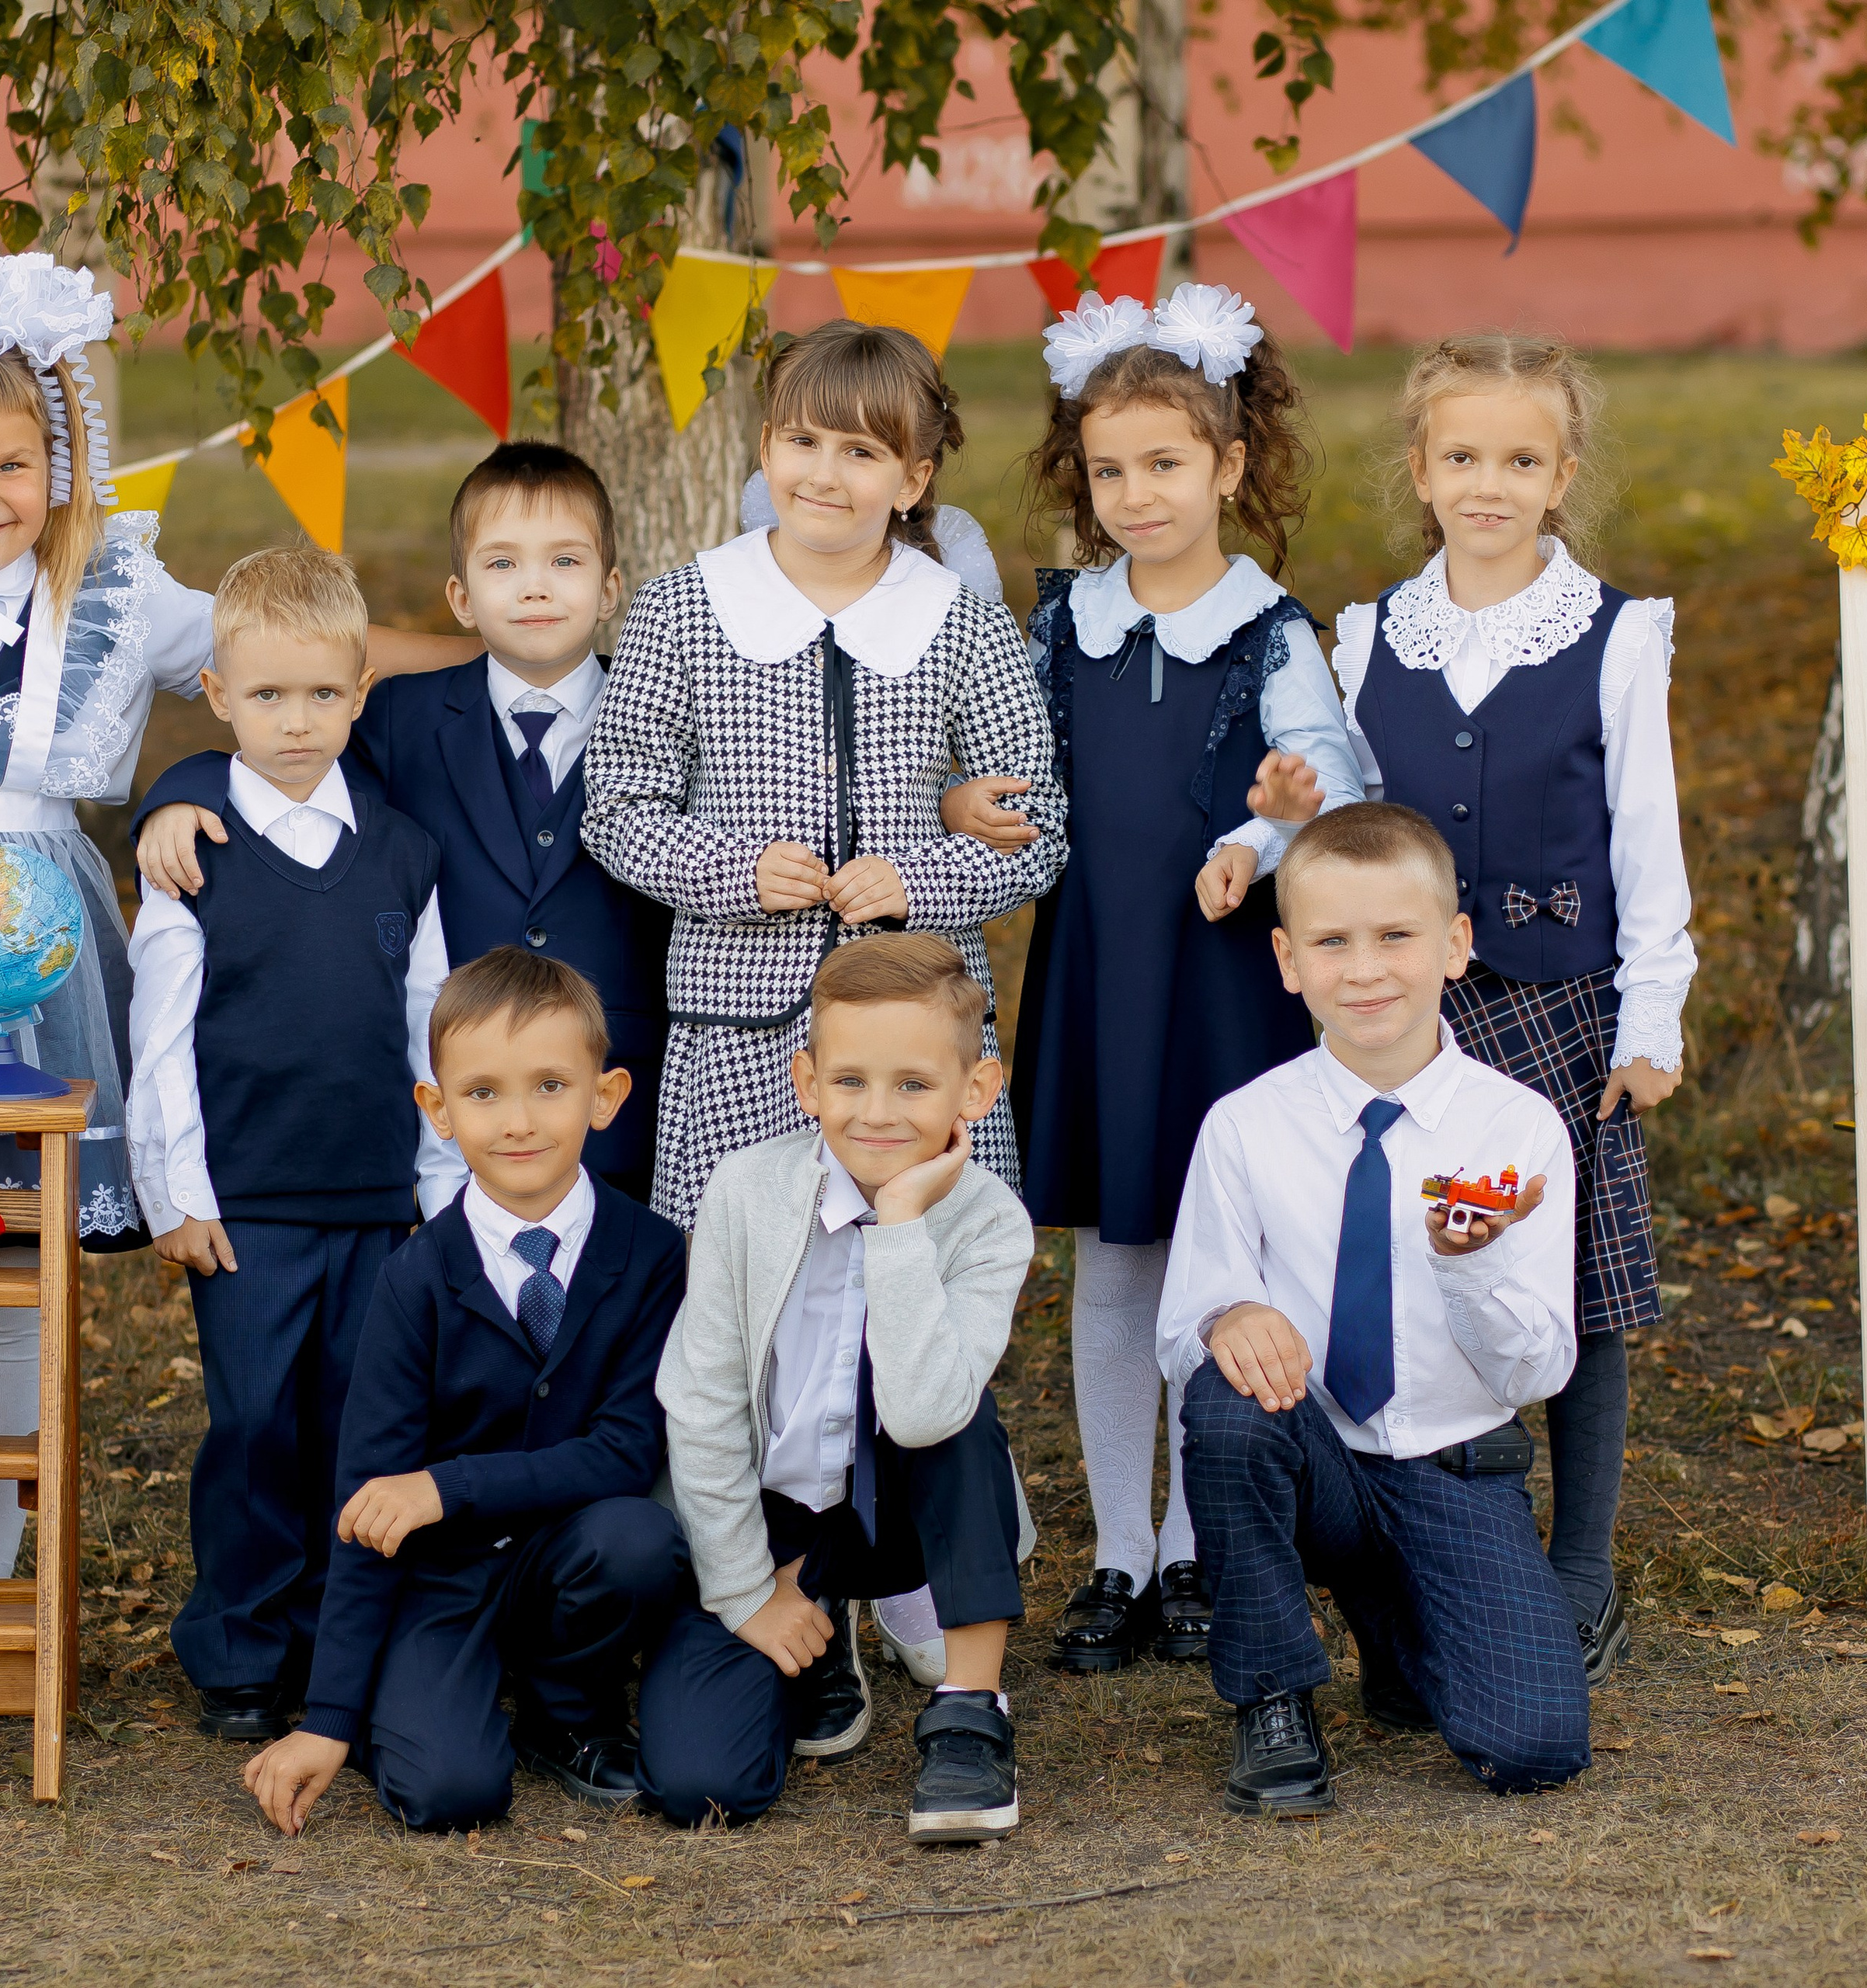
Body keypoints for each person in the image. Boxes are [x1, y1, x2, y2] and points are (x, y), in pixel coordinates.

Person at [0, 248, 471, 1585]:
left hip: (37, 970)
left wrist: (510, 653)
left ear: (62, 464)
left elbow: (282, 665)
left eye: (12, 467)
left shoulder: (107, 590)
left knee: (7, 1271)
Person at [940, 286, 1363, 1673]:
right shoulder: (1061, 624)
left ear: (1231, 466)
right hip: (1106, 977)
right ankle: (1121, 1547)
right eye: (1110, 469)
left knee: (1213, 1257)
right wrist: (975, 803)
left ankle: (1201, 1548)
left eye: (1166, 464)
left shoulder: (1270, 632)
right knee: (1116, 1262)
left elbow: (1330, 783)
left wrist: (1264, 829)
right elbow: (1002, 760)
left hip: (1219, 985)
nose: (1137, 494)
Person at [1332, 334, 1694, 1685]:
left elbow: (1644, 832)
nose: (1492, 482)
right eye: (1466, 455)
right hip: (1417, 1017)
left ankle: (1581, 1566)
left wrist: (1651, 1013)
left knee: (1577, 1284)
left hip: (1565, 1010)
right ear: (1422, 471)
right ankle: (1451, 1550)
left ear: (1563, 477)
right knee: (1439, 1263)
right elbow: (1356, 819)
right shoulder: (1368, 637)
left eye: (1523, 460)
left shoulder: (1616, 635)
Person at [580, 319, 1066, 1232]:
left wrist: (916, 877)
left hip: (915, 1028)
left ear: (912, 478)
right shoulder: (684, 609)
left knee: (916, 1275)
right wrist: (734, 870)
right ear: (765, 451)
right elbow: (617, 808)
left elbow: (1036, 826)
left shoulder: (960, 621)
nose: (824, 475)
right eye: (801, 442)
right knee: (745, 1287)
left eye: (861, 451)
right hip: (738, 1027)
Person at [1159, 802, 1590, 1817]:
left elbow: (1541, 1375)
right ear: (1287, 960)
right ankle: (1273, 1698)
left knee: (1531, 1747)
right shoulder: (1246, 1128)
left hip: (1456, 1468)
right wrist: (1227, 1318)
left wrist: (1468, 1270)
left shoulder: (1515, 1132)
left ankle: (1399, 1626)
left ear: (1455, 946)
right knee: (1226, 1400)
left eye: (1396, 937)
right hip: (1317, 1464)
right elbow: (1181, 1333)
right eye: (1332, 942)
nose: (1365, 971)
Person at [130, 443, 671, 1201]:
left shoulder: (664, 712)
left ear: (611, 587)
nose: (535, 588)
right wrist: (187, 792)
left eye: (565, 562)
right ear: (460, 595)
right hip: (461, 1093)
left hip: (618, 1090)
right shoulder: (402, 715)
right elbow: (293, 769)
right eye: (503, 564)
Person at [124, 546, 465, 1740]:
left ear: (362, 691)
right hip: (250, 1208)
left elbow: (434, 1033)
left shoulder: (404, 851)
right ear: (216, 695)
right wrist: (176, 1191)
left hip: (377, 1198)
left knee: (355, 1428)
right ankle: (237, 1648)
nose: (295, 720)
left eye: (323, 694)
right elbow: (160, 1040)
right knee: (256, 1424)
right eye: (266, 696)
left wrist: (444, 1188)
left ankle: (339, 1643)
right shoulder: (193, 849)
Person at [241, 947, 690, 1835]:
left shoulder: (651, 1253)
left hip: (572, 1553)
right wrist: (329, 1717)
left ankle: (568, 1708)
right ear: (438, 1110)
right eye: (483, 1092)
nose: (519, 1120)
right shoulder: (415, 1276)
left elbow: (628, 1449)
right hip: (438, 1578)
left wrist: (447, 1485)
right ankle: (407, 1701)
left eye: (551, 1086)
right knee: (452, 1796)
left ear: (605, 1096)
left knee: (639, 1537)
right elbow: (369, 1502)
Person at [638, 935, 1030, 1844]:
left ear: (975, 1092)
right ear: (805, 1082)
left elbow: (928, 1410)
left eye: (914, 1085)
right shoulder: (742, 1190)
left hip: (909, 1510)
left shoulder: (988, 1221)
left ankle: (971, 1711)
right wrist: (744, 1592)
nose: (878, 1113)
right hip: (773, 1512)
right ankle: (817, 1618)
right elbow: (699, 1404)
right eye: (849, 1082)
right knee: (702, 1782)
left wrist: (897, 1223)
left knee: (963, 1417)